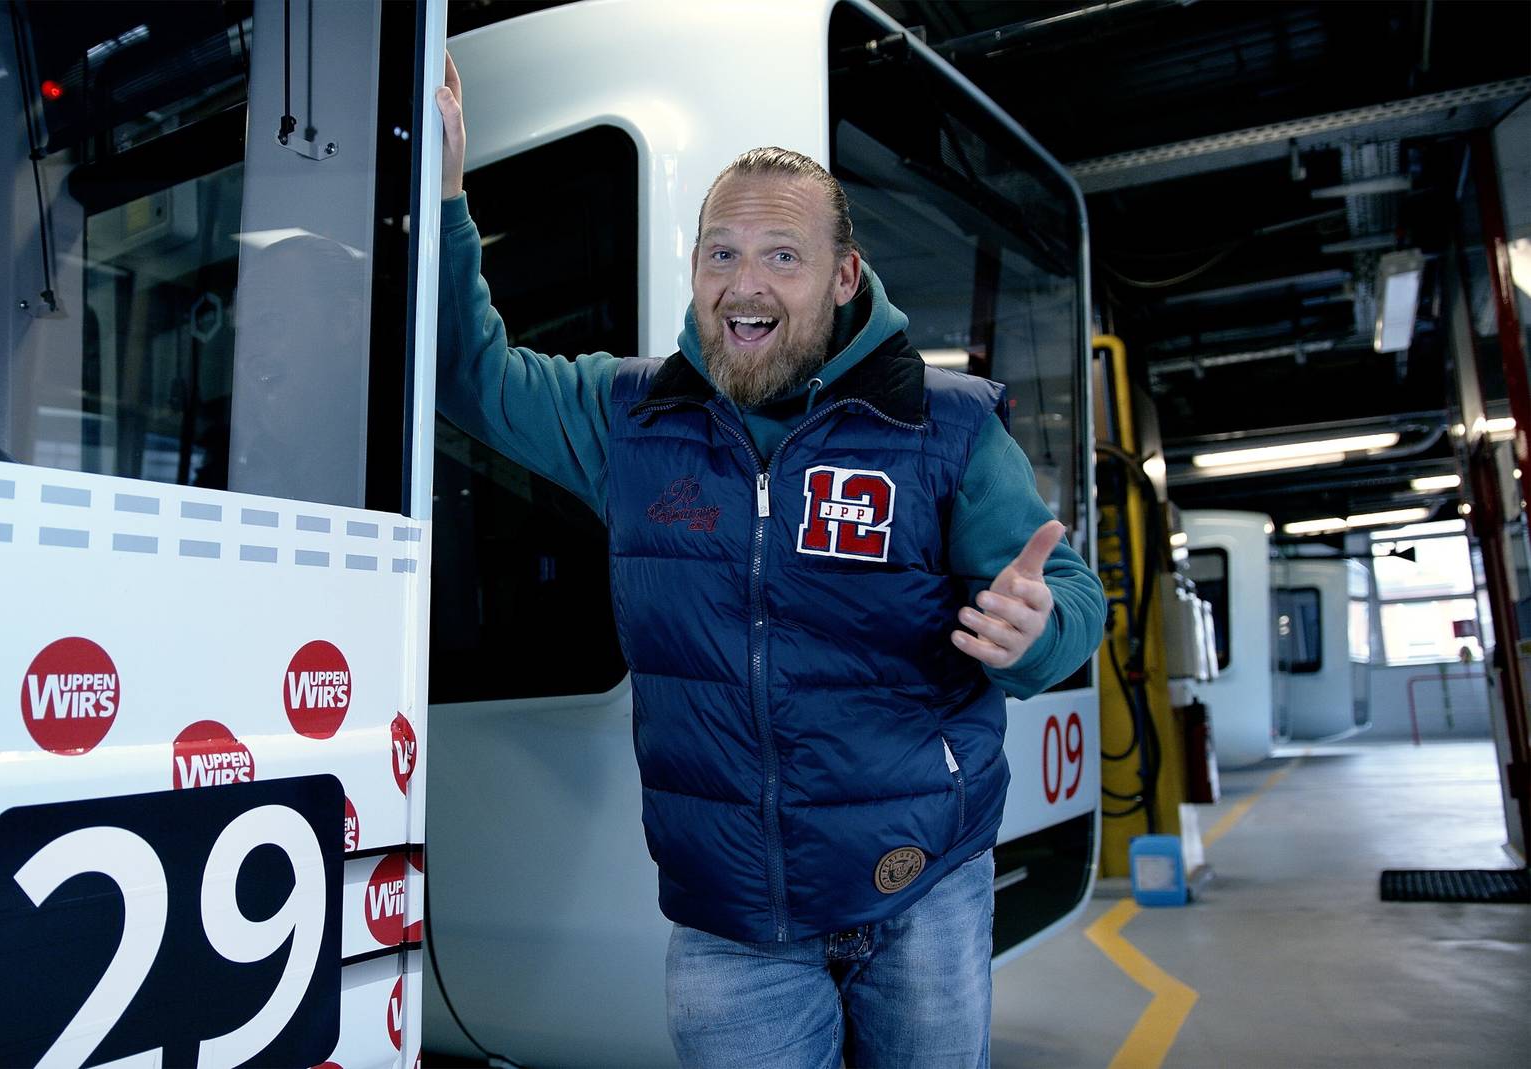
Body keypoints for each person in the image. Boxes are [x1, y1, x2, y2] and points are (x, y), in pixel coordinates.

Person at [433, 55, 1106, 1069]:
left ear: (844, 277)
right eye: (721, 254)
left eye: (781, 256)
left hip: (919, 882)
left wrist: (1038, 632)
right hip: (731, 915)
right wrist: (446, 194)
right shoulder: (627, 418)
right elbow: (469, 376)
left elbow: (1068, 592)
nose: (743, 285)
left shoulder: (945, 427)